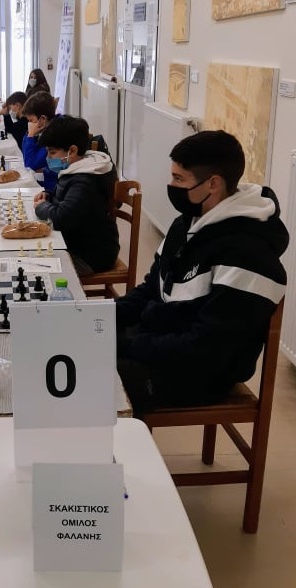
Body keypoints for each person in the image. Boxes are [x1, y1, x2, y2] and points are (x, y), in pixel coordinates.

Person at [116, 131, 288, 412]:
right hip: (161, 341)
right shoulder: (187, 224)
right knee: (81, 349)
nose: (171, 186)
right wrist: (102, 316)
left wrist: (127, 345)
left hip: (198, 374)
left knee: (90, 382)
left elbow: (207, 349)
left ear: (213, 184)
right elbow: (152, 289)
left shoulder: (248, 254)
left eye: (179, 179)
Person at [32, 116, 119, 276]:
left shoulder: (85, 181)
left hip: (90, 255)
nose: (48, 158)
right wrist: (48, 196)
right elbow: (66, 200)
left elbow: (61, 218)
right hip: (76, 242)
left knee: (34, 267)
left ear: (72, 151)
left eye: (52, 152)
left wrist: (42, 207)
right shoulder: (76, 168)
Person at [20, 91, 59, 192]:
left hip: (52, 188)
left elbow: (30, 165)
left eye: (31, 120)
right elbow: (26, 157)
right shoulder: (47, 129)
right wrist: (29, 134)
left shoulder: (54, 135)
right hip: (46, 180)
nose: (29, 124)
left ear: (42, 119)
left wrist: (30, 136)